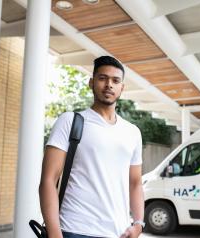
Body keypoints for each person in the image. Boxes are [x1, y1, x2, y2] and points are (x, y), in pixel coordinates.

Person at [39, 56, 144, 238]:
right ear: (91, 82)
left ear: (122, 88)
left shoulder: (132, 132)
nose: (109, 84)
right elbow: (48, 180)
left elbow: (135, 182)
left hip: (119, 232)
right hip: (75, 229)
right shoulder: (70, 121)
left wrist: (138, 224)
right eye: (102, 78)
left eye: (115, 80)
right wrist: (55, 234)